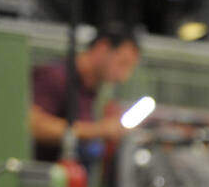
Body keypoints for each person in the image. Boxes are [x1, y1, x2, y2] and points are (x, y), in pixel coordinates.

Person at [29, 29, 142, 163]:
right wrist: (99, 130)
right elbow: (33, 125)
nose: (123, 77)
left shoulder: (93, 89)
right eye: (122, 63)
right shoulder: (57, 77)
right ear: (102, 47)